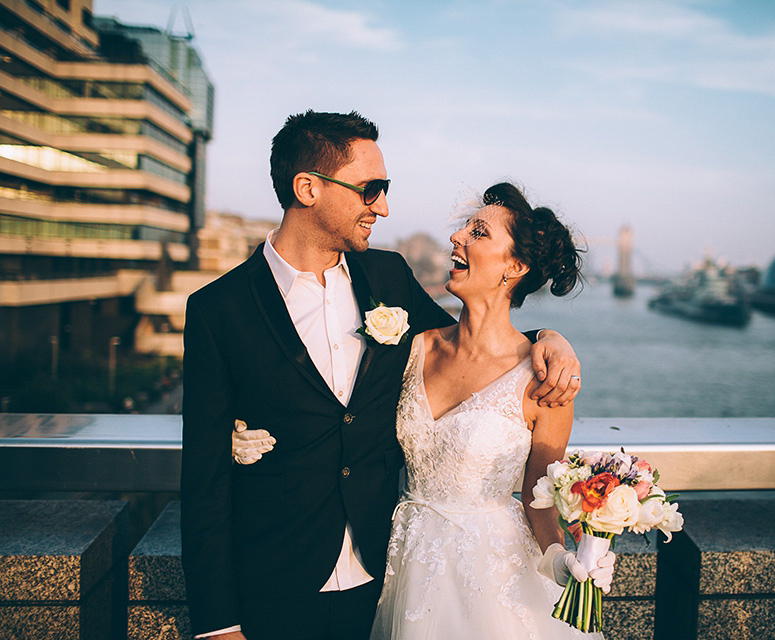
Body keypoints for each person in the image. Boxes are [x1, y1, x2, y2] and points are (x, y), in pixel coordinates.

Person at [180, 111, 582, 640]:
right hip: (275, 585)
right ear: (308, 188)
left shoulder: (388, 277)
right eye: (372, 189)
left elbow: (483, 348)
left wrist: (550, 338)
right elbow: (203, 482)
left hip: (384, 583)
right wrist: (217, 624)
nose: (384, 207)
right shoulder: (219, 310)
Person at [235, 182, 614, 639]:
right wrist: (243, 428)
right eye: (463, 229)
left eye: (478, 232)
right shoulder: (412, 347)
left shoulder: (545, 383)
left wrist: (562, 565)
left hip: (494, 576)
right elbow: (331, 398)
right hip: (403, 561)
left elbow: (540, 505)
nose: (457, 238)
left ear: (514, 266)